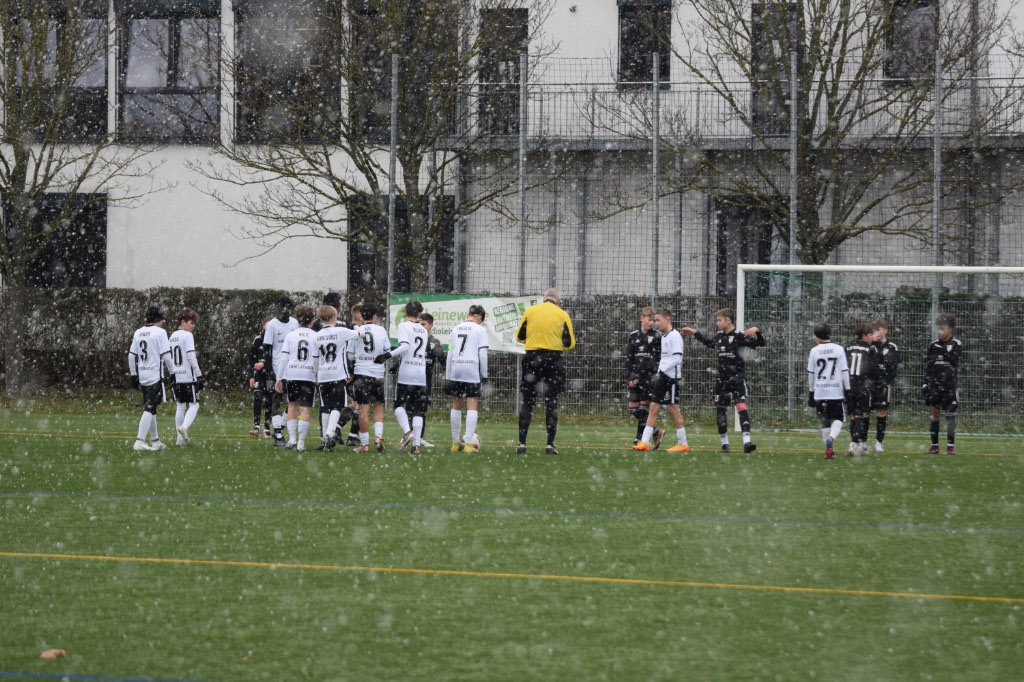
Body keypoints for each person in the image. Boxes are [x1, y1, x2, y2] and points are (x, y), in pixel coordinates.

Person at [680, 307, 765, 453]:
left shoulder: (740, 336)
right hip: (722, 380)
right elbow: (708, 342)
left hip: (737, 378)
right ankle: (725, 444)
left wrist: (757, 330)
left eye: (719, 320)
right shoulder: (719, 336)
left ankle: (747, 442)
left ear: (729, 320)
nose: (717, 323)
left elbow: (761, 343)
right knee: (721, 410)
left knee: (741, 407)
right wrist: (694, 332)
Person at [514, 288, 576, 455]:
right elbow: (570, 343)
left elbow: (519, 336)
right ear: (558, 301)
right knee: (552, 401)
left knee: (527, 401)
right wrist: (553, 344)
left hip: (532, 357)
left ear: (543, 299)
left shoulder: (530, 311)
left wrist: (535, 340)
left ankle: (522, 443)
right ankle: (549, 444)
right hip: (553, 359)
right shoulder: (562, 314)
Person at [377, 301, 430, 454]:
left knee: (399, 404)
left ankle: (408, 432)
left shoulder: (403, 326)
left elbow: (405, 346)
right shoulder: (423, 330)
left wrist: (388, 355)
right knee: (418, 410)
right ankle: (416, 445)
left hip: (407, 371)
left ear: (406, 313)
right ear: (419, 314)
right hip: (420, 373)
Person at [633, 309, 689, 453]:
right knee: (653, 407)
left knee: (673, 408)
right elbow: (664, 359)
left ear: (667, 320)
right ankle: (644, 442)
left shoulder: (675, 336)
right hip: (662, 376)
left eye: (658, 320)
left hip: (672, 378)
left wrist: (662, 370)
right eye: (654, 320)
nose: (656, 323)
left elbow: (677, 359)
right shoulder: (664, 337)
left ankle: (683, 443)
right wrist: (659, 372)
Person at [127, 306, 176, 451]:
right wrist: (173, 373)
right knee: (150, 407)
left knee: (152, 407)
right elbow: (166, 356)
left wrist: (133, 375)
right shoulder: (160, 332)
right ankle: (139, 440)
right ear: (157, 319)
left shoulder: (138, 332)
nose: (162, 323)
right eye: (161, 320)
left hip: (143, 375)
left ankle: (155, 441)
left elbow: (131, 356)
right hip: (155, 376)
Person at [313, 304, 360, 451]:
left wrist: (316, 375)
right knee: (337, 406)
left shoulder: (317, 335)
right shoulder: (341, 331)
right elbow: (360, 334)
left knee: (325, 407)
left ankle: (324, 438)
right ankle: (330, 432)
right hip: (337, 374)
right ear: (334, 317)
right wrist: (357, 327)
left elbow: (315, 358)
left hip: (323, 375)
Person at [445, 305, 489, 452]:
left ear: (468, 314)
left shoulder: (455, 329)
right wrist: (484, 376)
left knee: (456, 405)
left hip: (456, 368)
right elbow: (482, 354)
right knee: (472, 405)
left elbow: (450, 353)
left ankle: (455, 443)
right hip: (471, 368)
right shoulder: (480, 330)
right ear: (479, 317)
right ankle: (469, 444)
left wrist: (448, 376)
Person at [274, 305, 318, 451]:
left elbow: (283, 359)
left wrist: (279, 378)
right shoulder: (315, 336)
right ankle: (301, 443)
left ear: (298, 320)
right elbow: (316, 358)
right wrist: (316, 374)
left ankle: (292, 440)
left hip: (292, 374)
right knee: (305, 408)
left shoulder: (290, 335)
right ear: (312, 321)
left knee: (292, 405)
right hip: (308, 375)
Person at [352, 302, 392, 452]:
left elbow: (350, 354)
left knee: (363, 409)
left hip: (361, 373)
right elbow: (387, 350)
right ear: (375, 316)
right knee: (378, 406)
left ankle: (364, 444)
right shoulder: (381, 330)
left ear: (362, 316)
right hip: (377, 374)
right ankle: (378, 437)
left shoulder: (358, 331)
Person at [807, 323, 850, 460]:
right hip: (835, 390)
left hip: (820, 391)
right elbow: (844, 371)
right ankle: (831, 438)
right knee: (839, 418)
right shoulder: (838, 349)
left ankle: (829, 450)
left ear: (818, 336)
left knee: (825, 422)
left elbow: (811, 374)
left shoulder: (814, 351)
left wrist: (811, 392)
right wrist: (847, 389)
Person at [924, 313, 963, 455]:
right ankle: (934, 446)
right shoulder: (933, 345)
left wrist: (943, 353)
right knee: (934, 413)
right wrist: (925, 383)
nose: (940, 331)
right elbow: (928, 366)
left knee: (950, 413)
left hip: (949, 385)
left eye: (943, 328)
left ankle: (950, 446)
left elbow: (954, 360)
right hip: (935, 385)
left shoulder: (956, 344)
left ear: (950, 329)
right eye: (938, 328)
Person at [263, 296, 299, 446]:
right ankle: (278, 434)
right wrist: (270, 372)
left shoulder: (295, 323)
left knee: (293, 401)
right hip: (278, 369)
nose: (286, 311)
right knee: (276, 400)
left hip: (293, 369)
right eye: (284, 307)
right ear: (278, 309)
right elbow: (267, 350)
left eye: (289, 308)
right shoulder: (272, 325)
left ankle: (280, 426)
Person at [168, 308, 205, 446]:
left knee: (180, 406)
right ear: (183, 322)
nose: (193, 326)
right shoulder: (187, 335)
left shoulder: (172, 336)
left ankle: (179, 439)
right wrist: (199, 374)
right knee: (195, 404)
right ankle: (184, 427)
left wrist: (172, 374)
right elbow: (191, 356)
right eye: (191, 323)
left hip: (177, 377)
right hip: (188, 377)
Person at [625, 307, 661, 446]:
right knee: (633, 409)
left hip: (648, 378)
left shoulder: (657, 336)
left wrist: (653, 374)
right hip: (635, 377)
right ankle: (656, 432)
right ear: (641, 318)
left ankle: (639, 438)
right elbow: (629, 359)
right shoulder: (633, 335)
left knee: (643, 408)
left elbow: (658, 359)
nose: (651, 323)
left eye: (653, 320)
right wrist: (630, 378)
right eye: (649, 320)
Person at [844, 321, 879, 457]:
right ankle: (855, 444)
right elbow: (874, 370)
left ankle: (859, 445)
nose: (872, 338)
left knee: (854, 415)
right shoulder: (871, 349)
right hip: (862, 385)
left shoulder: (847, 347)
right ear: (864, 335)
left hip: (849, 385)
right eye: (870, 335)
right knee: (861, 415)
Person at [870, 319, 901, 453]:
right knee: (864, 412)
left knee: (881, 411)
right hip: (869, 383)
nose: (876, 332)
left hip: (883, 385)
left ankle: (879, 442)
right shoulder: (871, 346)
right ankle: (861, 441)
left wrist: (885, 382)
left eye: (879, 329)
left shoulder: (892, 347)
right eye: (874, 330)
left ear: (885, 331)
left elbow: (893, 368)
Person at [418, 312, 446, 448]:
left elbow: (443, 362)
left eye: (423, 324)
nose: (421, 327)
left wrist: (448, 374)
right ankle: (408, 434)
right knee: (410, 408)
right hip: (412, 379)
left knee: (422, 409)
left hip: (425, 380)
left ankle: (419, 438)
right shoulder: (415, 339)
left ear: (431, 325)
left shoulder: (434, 342)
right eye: (419, 324)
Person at [248, 316, 274, 437]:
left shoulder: (275, 340)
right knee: (257, 397)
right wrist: (251, 376)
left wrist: (264, 364)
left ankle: (267, 429)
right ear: (263, 326)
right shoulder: (258, 340)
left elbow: (275, 358)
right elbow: (251, 359)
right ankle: (256, 427)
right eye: (267, 326)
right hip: (258, 375)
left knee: (269, 400)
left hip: (271, 375)